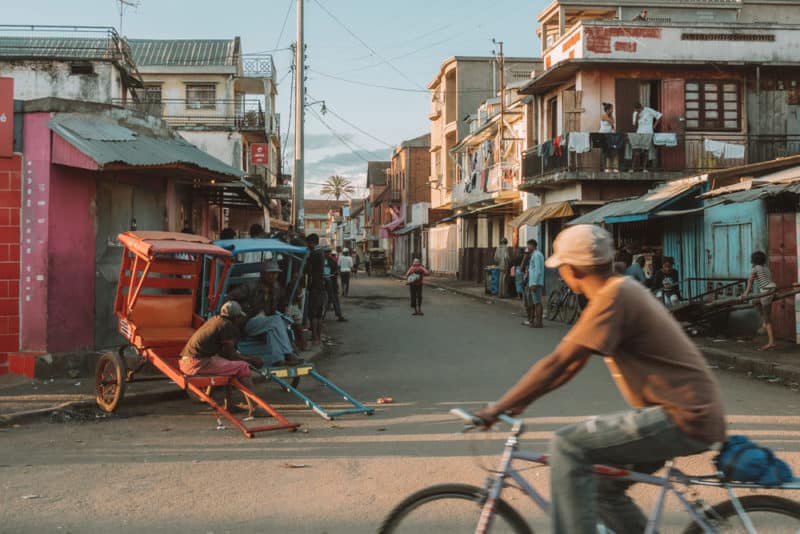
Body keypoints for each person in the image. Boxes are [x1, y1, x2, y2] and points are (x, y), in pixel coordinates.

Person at [475, 224, 726, 534]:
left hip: (682, 417)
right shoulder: (618, 290)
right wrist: (519, 402)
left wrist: (496, 408)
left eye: (562, 266)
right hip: (684, 413)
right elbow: (570, 367)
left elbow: (558, 362)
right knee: (601, 489)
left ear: (573, 269)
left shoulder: (613, 298)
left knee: (567, 445)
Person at [179, 301, 264, 417]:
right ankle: (255, 408)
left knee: (230, 366)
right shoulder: (226, 325)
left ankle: (229, 405)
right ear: (235, 317)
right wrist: (252, 360)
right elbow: (232, 355)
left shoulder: (215, 320)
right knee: (242, 366)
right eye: (239, 318)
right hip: (196, 363)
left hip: (189, 361)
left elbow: (226, 354)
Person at [228, 260, 302, 366]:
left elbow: (283, 301)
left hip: (266, 323)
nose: (274, 276)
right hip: (249, 322)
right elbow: (230, 297)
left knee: (273, 326)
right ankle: (288, 354)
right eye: (271, 273)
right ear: (263, 274)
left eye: (276, 273)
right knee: (275, 320)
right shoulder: (251, 286)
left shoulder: (276, 288)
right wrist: (239, 312)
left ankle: (278, 360)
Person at [742, 250, 777, 351]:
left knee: (767, 318)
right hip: (772, 289)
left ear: (753, 260)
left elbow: (750, 282)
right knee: (755, 301)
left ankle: (771, 343)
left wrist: (745, 294)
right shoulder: (766, 268)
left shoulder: (755, 269)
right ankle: (764, 324)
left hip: (766, 292)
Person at [305, 234, 326, 345]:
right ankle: (318, 336)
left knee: (313, 313)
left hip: (315, 286)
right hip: (320, 285)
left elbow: (308, 268)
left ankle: (315, 337)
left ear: (312, 243)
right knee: (318, 313)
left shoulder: (314, 254)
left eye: (308, 243)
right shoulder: (321, 252)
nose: (307, 246)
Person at [631, 103, 662, 172]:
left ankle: (644, 168)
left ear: (641, 108)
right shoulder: (635, 113)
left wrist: (654, 126)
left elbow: (659, 116)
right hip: (639, 133)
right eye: (636, 110)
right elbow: (634, 125)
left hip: (648, 133)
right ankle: (633, 168)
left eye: (638, 110)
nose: (638, 112)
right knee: (636, 150)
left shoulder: (648, 110)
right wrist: (636, 117)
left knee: (646, 151)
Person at [527, 239, 545, 328]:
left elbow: (538, 270)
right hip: (533, 282)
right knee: (535, 302)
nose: (527, 248)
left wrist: (534, 283)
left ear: (533, 246)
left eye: (528, 246)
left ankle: (539, 322)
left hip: (536, 283)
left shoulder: (537, 255)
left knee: (537, 302)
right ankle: (536, 321)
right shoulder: (535, 254)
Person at [599, 102, 618, 172]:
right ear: (608, 109)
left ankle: (611, 167)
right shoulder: (603, 116)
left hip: (610, 135)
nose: (612, 110)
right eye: (611, 109)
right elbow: (612, 121)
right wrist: (611, 118)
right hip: (603, 134)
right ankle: (603, 168)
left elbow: (613, 125)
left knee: (611, 151)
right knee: (604, 151)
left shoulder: (611, 116)